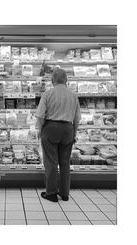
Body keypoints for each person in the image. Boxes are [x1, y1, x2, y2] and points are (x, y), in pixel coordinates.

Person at [35, 67, 81, 202]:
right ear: (66, 80)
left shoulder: (48, 94)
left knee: (51, 162)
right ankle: (65, 193)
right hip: (68, 128)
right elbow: (77, 118)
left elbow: (40, 116)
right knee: (65, 162)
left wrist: (39, 130)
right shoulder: (73, 95)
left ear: (52, 80)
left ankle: (51, 193)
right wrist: (74, 133)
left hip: (50, 128)